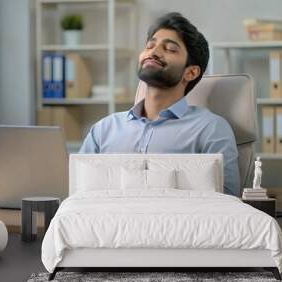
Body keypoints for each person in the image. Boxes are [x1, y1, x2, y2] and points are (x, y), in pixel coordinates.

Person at [79, 12, 240, 196]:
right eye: (150, 45)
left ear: (191, 72)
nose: (153, 52)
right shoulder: (103, 130)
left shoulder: (210, 129)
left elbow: (227, 202)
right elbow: (78, 193)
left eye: (170, 49)